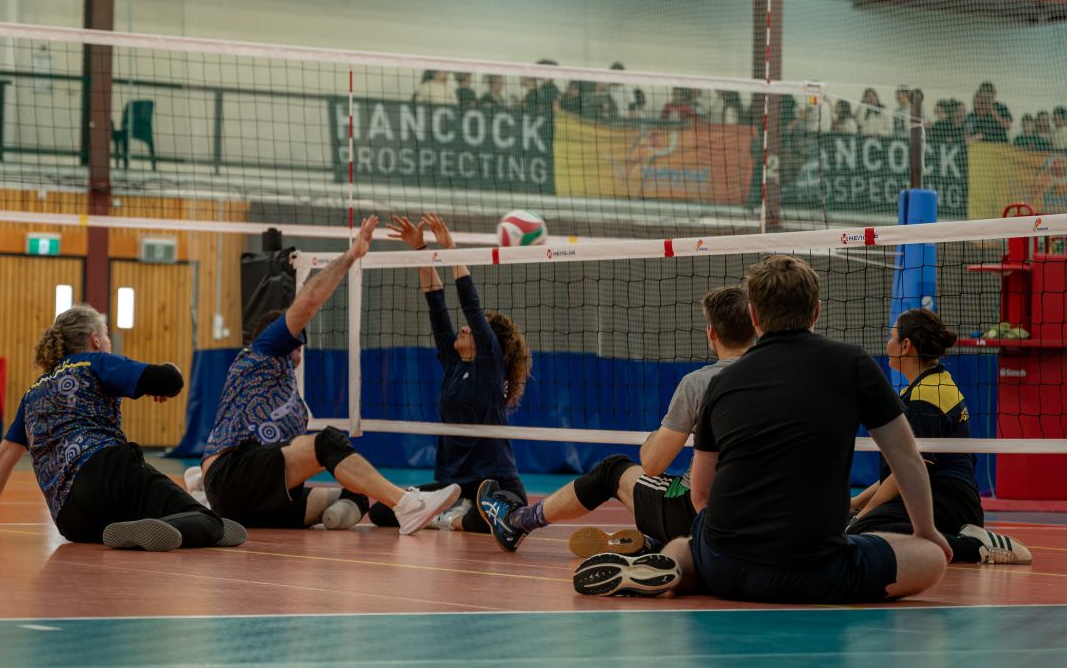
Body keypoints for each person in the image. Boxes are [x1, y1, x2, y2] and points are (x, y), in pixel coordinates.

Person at [575, 255, 953, 601]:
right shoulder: (852, 364)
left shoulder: (719, 384)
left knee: (686, 544)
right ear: (816, 311)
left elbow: (701, 495)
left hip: (726, 569)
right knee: (930, 557)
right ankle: (682, 564)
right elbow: (904, 456)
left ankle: (675, 566)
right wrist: (927, 531)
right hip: (818, 571)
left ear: (754, 317)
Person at [193, 216, 461, 534]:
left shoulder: (288, 400)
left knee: (355, 492)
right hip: (231, 473)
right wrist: (351, 256)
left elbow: (286, 461)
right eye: (296, 340)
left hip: (244, 500)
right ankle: (408, 506)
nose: (300, 347)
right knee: (327, 442)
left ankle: (398, 505)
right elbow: (308, 301)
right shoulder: (263, 350)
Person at [0, 305, 245, 552]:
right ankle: (187, 526)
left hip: (71, 520)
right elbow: (171, 381)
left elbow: (2, 458)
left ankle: (137, 531)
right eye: (105, 334)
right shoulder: (95, 362)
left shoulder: (33, 393)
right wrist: (165, 374)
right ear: (95, 339)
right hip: (108, 470)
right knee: (209, 521)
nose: (107, 341)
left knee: (128, 519)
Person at [476, 287, 754, 556]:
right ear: (755, 326)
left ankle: (517, 520)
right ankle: (654, 538)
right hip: (753, 517)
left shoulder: (699, 383)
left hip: (698, 515)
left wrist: (654, 440)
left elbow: (654, 464)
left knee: (612, 469)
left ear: (711, 333)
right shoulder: (779, 378)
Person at [375, 212, 531, 533]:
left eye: (473, 329)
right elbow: (436, 304)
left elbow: (470, 306)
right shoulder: (452, 362)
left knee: (498, 515)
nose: (464, 327)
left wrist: (452, 249)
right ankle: (448, 513)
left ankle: (451, 519)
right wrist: (420, 251)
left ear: (489, 343)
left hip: (495, 480)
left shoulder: (490, 365)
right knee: (380, 512)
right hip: (453, 486)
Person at [847, 309, 1031, 564]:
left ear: (906, 346)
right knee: (851, 521)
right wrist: (856, 503)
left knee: (863, 530)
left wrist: (862, 516)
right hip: (946, 498)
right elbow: (898, 473)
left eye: (891, 337)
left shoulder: (925, 398)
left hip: (948, 504)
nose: (887, 344)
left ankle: (974, 546)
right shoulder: (934, 383)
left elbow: (909, 472)